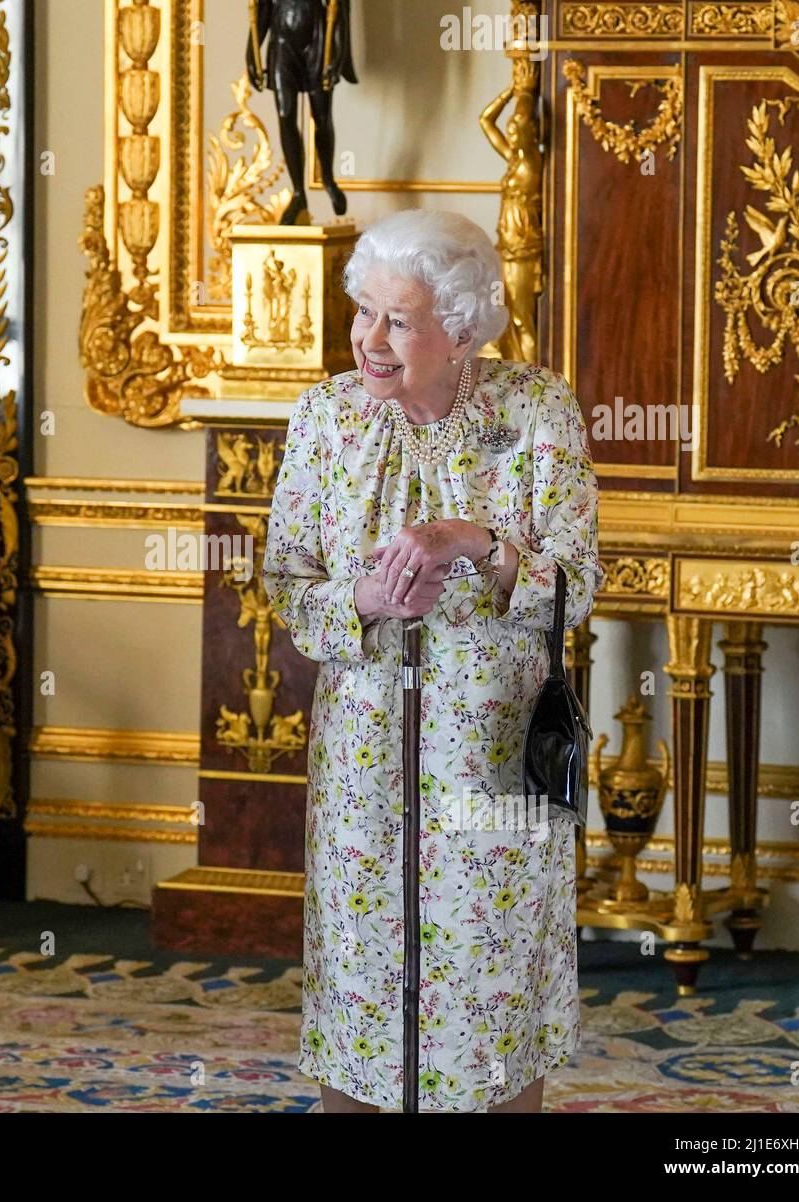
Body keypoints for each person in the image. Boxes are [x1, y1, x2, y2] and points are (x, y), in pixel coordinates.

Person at [263, 208, 603, 1113]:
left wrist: (479, 543)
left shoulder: (537, 411)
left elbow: (579, 583)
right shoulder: (326, 419)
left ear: (459, 333)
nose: (369, 340)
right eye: (362, 312)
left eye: (397, 321)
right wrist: (363, 604)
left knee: (489, 997)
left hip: (490, 762)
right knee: (361, 988)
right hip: (363, 764)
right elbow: (287, 582)